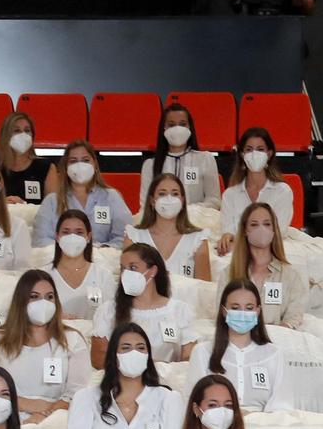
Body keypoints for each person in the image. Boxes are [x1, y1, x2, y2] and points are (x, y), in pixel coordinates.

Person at [0, 268, 81, 422]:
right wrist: (29, 406)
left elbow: (78, 394)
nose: (43, 303)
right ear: (21, 301)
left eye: (49, 297)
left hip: (56, 420)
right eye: (34, 297)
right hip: (6, 416)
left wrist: (44, 416)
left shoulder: (72, 340)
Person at [67, 323, 183, 429]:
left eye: (141, 348)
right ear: (114, 356)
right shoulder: (86, 398)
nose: (134, 353)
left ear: (148, 356)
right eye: (126, 348)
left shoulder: (168, 399)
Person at [191, 280, 287, 414]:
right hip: (218, 427)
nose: (242, 314)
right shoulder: (203, 352)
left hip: (264, 428)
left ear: (258, 311)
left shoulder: (274, 354)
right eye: (235, 308)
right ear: (224, 311)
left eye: (249, 308)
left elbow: (281, 406)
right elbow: (194, 405)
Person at [90, 242, 193, 367]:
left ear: (153, 271)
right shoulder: (108, 310)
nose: (125, 274)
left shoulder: (179, 310)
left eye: (133, 268)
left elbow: (188, 357)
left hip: (168, 379)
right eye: (123, 268)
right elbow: (98, 358)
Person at [224, 200, 311, 329]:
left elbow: (294, 316)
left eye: (267, 224)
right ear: (245, 231)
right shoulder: (229, 273)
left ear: (274, 230)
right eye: (254, 225)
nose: (261, 229)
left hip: (278, 340)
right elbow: (223, 313)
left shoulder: (290, 275)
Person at [34, 140, 130, 247]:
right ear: (65, 168)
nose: (80, 165)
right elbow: (40, 240)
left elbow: (125, 238)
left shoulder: (111, 197)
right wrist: (69, 250)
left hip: (103, 260)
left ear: (95, 165)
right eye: (73, 161)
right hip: (61, 260)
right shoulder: (51, 201)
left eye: (86, 160)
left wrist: (96, 251)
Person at [139, 101, 223, 206]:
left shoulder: (205, 159)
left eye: (183, 124)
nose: (177, 129)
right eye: (171, 125)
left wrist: (189, 212)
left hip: (197, 220)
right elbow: (145, 204)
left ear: (189, 128)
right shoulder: (150, 165)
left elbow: (214, 200)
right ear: (163, 128)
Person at [132, 174, 211, 283]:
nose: (169, 199)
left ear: (182, 201)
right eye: (162, 194)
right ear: (152, 201)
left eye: (175, 194)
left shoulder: (198, 240)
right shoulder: (134, 237)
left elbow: (204, 290)